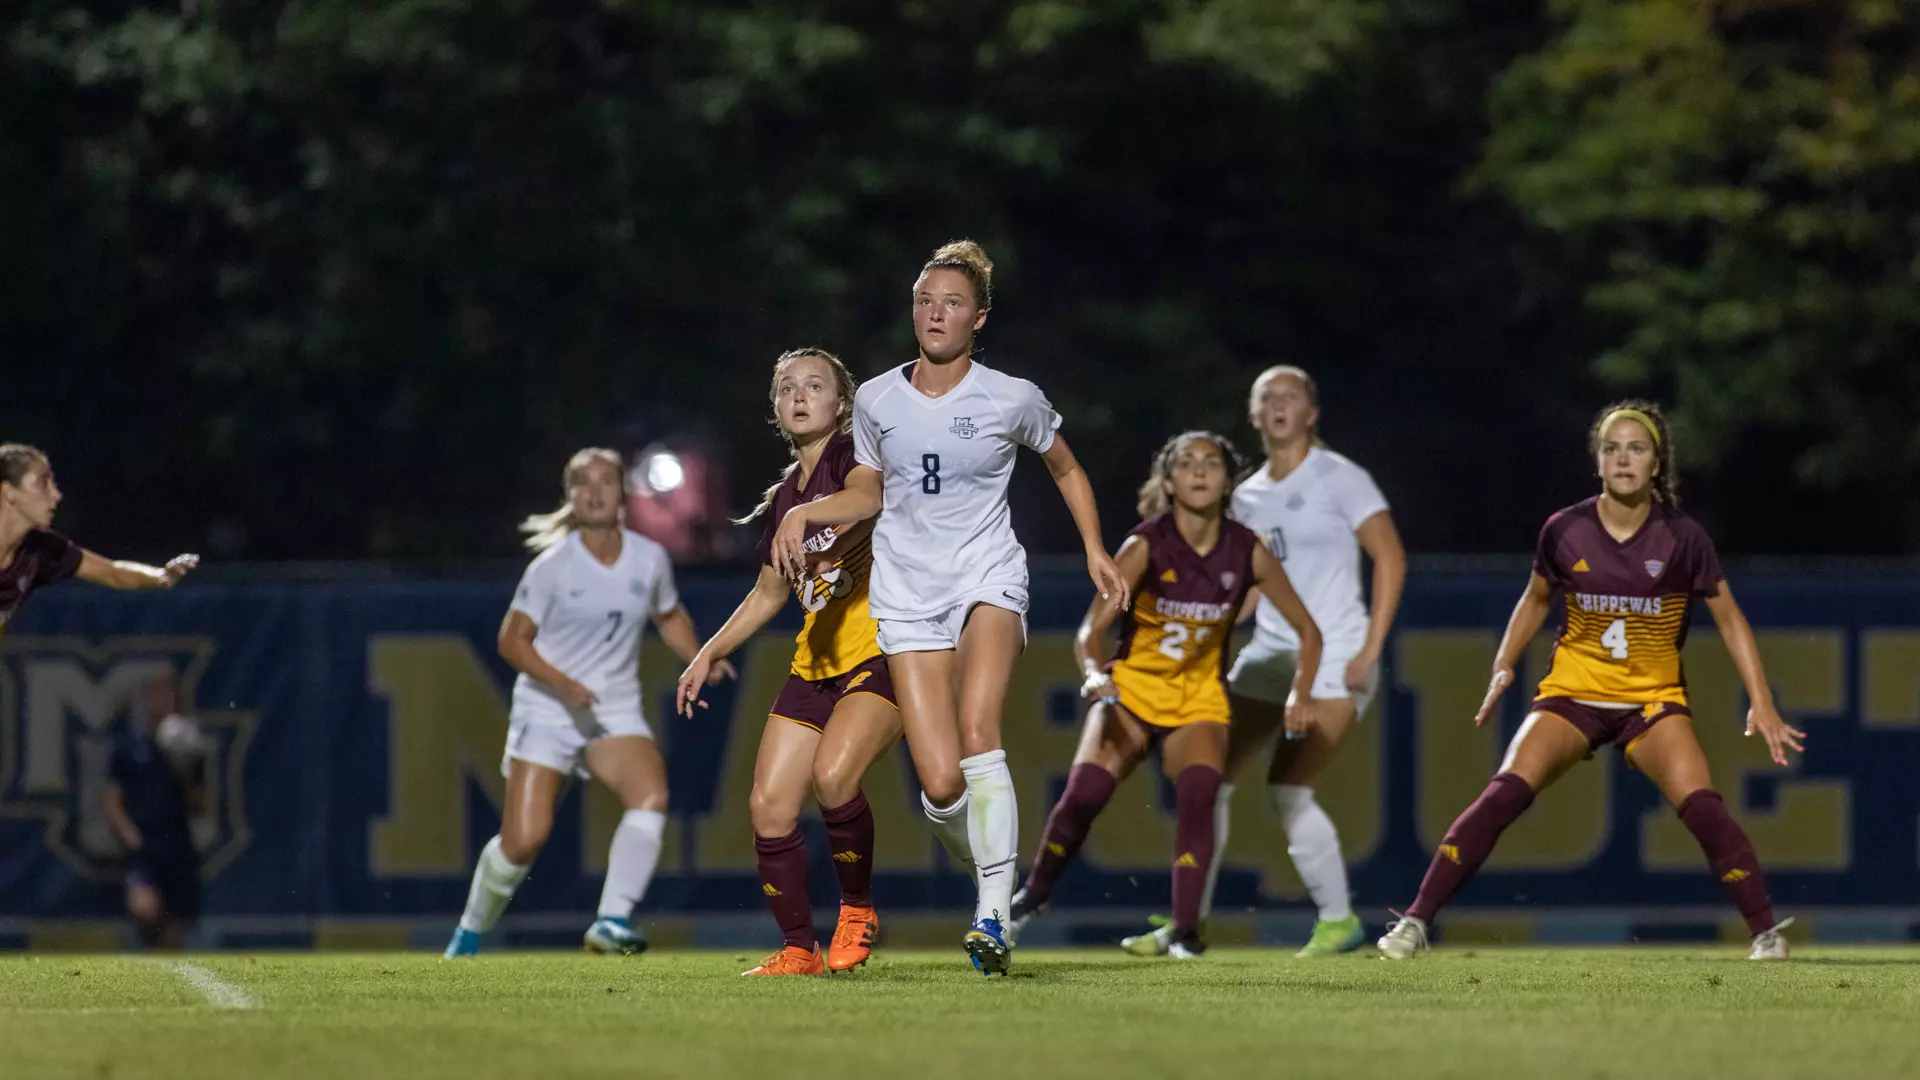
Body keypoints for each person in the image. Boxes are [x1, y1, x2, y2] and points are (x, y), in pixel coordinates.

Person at [770, 240, 1128, 976]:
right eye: (926, 300)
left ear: (979, 317)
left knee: (976, 728)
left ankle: (993, 915)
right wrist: (806, 512)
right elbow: (867, 493)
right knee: (939, 784)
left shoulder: (1010, 397)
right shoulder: (874, 398)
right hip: (907, 591)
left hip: (986, 575)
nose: (937, 312)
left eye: (953, 302)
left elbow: (1064, 464)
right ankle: (992, 875)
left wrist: (1096, 547)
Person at [1377, 401, 1804, 962]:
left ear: (1657, 464)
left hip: (1650, 701)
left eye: (1637, 448)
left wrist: (1762, 700)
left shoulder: (1682, 537)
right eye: (1611, 448)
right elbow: (1535, 598)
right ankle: (1414, 923)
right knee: (1503, 794)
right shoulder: (1564, 528)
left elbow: (1730, 618)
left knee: (1703, 807)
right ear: (1597, 462)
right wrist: (1504, 662)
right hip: (1572, 693)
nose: (1623, 458)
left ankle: (1766, 933)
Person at [1003, 432, 1327, 957]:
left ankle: (1185, 932)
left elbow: (1310, 632)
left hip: (1198, 698)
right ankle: (1034, 894)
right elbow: (1090, 632)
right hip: (1132, 690)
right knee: (1083, 798)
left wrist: (1300, 695)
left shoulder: (1248, 549)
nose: (1200, 472)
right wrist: (1091, 673)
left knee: (1199, 799)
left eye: (1212, 463)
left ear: (1227, 481)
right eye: (1186, 463)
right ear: (1169, 480)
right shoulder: (1146, 545)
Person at [1125, 366, 1406, 958]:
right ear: (1253, 416)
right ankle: (1185, 922)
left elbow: (1391, 559)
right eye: (1267, 398)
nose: (1279, 406)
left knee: (1288, 789)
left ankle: (1338, 922)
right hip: (1268, 653)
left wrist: (1370, 650)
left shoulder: (1341, 478)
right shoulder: (1245, 496)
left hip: (1335, 654)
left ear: (1312, 412)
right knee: (1208, 780)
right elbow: (1242, 588)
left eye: (1291, 397)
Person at [445, 448, 734, 958]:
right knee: (523, 840)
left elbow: (668, 616)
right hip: (548, 706)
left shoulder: (648, 558)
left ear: (623, 493)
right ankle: (468, 933)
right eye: (582, 482)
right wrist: (561, 684)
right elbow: (511, 641)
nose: (595, 490)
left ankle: (611, 920)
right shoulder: (552, 567)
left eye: (605, 481)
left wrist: (700, 656)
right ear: (570, 497)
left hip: (611, 706)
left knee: (650, 796)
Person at [675, 348, 903, 977]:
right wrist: (707, 652)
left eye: (814, 385)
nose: (799, 396)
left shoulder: (853, 454)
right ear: (775, 408)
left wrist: (807, 513)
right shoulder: (785, 499)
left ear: (840, 402)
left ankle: (857, 909)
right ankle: (800, 949)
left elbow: (867, 497)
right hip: (815, 666)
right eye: (785, 388)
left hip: (882, 653)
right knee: (769, 807)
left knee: (834, 778)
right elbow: (769, 594)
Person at [1, 443, 200, 644]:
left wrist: (160, 576)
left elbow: (112, 572)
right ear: (9, 492)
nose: (56, 494)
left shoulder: (41, 549)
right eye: (42, 483)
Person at [102, 674, 210, 949]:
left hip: (176, 845)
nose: (158, 703)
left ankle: (169, 980)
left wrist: (186, 768)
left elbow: (199, 804)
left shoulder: (187, 744)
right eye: (153, 696)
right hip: (146, 847)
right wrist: (130, 836)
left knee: (175, 931)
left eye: (165, 696)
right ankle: (153, 941)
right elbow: (113, 799)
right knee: (144, 908)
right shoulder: (129, 747)